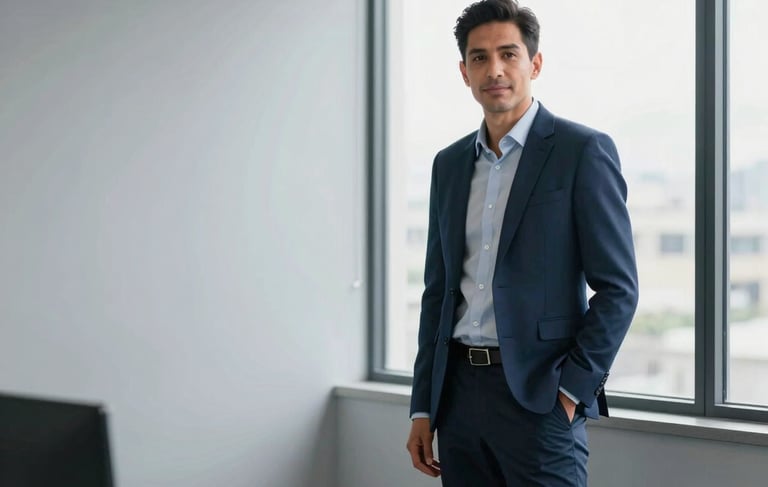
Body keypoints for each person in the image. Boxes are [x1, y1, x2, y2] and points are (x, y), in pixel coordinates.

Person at [405, 1, 639, 485]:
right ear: (464, 72)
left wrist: (571, 391)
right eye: (479, 58)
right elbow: (438, 292)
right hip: (456, 399)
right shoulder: (448, 166)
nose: (495, 70)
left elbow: (619, 289)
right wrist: (422, 407)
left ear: (534, 63)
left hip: (539, 398)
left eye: (509, 54)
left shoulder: (582, 152)